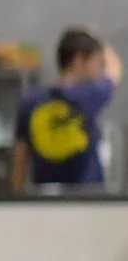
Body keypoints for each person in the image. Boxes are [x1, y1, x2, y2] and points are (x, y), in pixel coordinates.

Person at [14, 28, 120, 191]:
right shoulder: (90, 95)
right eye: (97, 61)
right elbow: (115, 69)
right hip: (87, 197)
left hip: (45, 200)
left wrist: (18, 198)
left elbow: (20, 156)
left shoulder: (31, 101)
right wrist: (95, 37)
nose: (99, 69)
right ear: (79, 60)